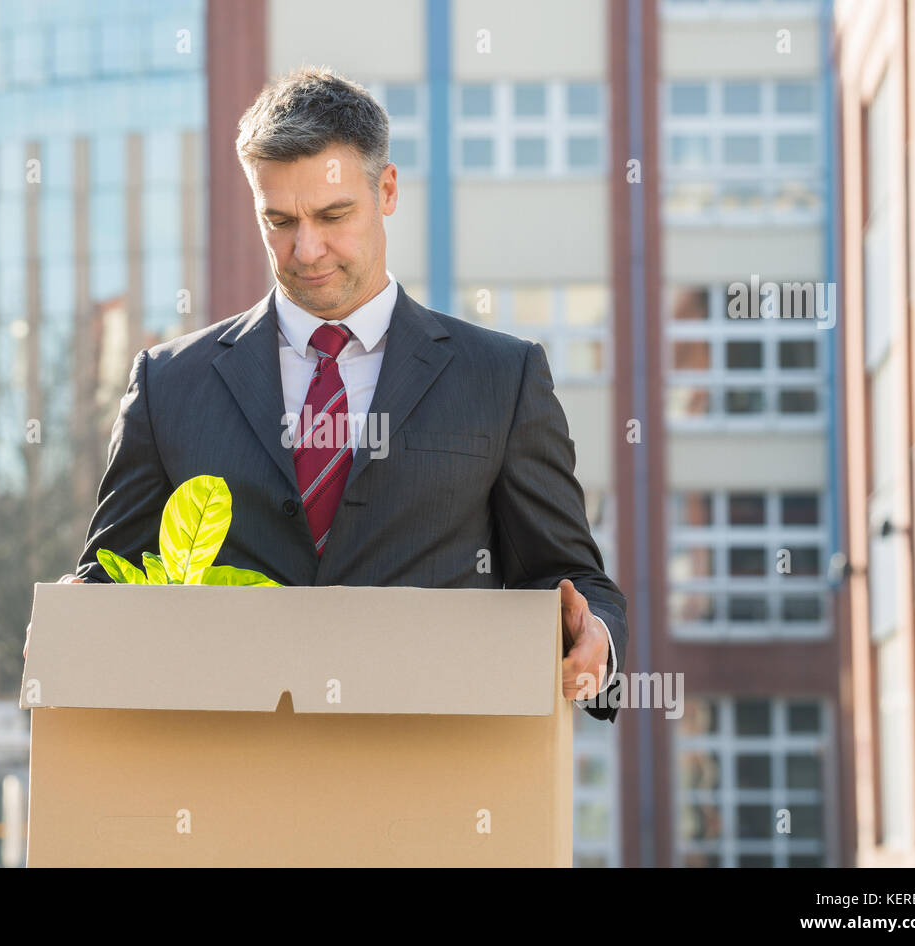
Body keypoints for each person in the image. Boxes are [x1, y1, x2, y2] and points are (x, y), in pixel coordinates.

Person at [41, 66, 628, 721]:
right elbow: (112, 576)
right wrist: (77, 610)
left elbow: (571, 580)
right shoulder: (168, 384)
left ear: (388, 190)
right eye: (280, 220)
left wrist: (594, 635)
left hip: (433, 785)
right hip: (229, 787)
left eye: (333, 215)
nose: (306, 248)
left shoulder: (501, 378)